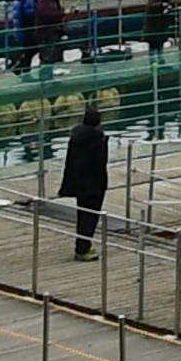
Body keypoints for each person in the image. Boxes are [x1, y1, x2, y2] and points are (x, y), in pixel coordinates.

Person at [59, 102, 110, 259]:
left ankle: (81, 246)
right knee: (90, 217)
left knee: (82, 215)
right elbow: (100, 163)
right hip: (94, 185)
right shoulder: (97, 139)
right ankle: (83, 249)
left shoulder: (76, 137)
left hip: (78, 183)